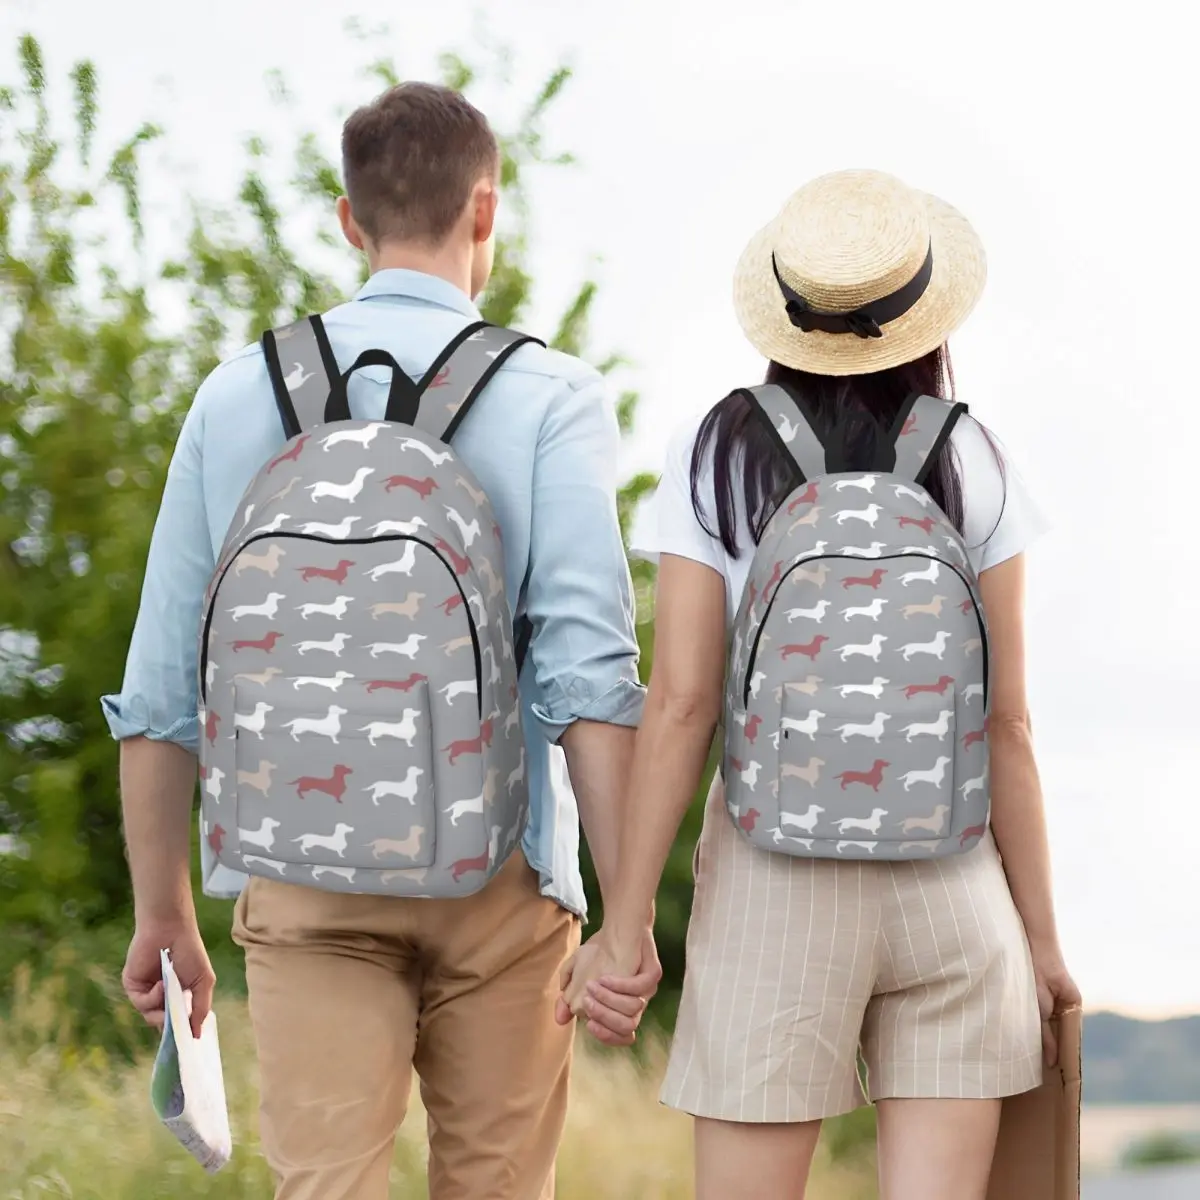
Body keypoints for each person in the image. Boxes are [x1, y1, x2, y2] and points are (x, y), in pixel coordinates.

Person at [104, 81, 661, 1200]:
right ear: (485, 212)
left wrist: (162, 910)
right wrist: (627, 916)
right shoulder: (550, 395)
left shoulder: (235, 395)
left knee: (325, 1186)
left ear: (349, 220)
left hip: (301, 874)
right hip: (502, 875)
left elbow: (163, 684)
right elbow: (589, 679)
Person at [560, 168, 1081, 1199]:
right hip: (955, 886)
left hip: (773, 880)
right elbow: (1009, 725)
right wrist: (1042, 942)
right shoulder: (974, 457)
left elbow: (682, 705)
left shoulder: (716, 451)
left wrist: (624, 927)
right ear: (925, 315)